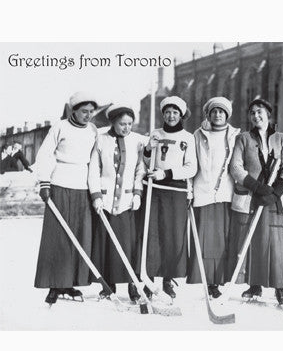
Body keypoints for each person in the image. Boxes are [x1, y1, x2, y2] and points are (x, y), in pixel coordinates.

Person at [34, 92, 98, 305]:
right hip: (60, 183)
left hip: (82, 186)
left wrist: (95, 190)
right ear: (73, 111)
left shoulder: (92, 130)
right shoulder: (59, 126)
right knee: (58, 237)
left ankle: (69, 282)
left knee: (78, 235)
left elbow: (94, 161)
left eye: (91, 112)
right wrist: (44, 182)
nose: (87, 115)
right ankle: (54, 284)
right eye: (83, 111)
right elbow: (44, 154)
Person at [228, 98, 283, 306]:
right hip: (251, 198)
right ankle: (254, 284)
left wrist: (276, 192)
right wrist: (257, 187)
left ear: (268, 114)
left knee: (277, 244)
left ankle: (280, 288)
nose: (256, 116)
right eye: (252, 113)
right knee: (254, 242)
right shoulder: (243, 139)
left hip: (273, 199)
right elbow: (236, 167)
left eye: (260, 112)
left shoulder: (281, 138)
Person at [88, 104, 147, 302]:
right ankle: (107, 287)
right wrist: (96, 195)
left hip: (127, 202)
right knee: (106, 245)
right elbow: (94, 170)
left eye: (130, 124)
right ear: (113, 122)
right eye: (122, 124)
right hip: (105, 201)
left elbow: (141, 168)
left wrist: (138, 192)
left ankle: (133, 285)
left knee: (128, 245)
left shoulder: (138, 141)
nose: (126, 128)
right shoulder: (101, 139)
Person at [142, 96, 197, 299]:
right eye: (167, 112)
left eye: (175, 112)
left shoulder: (188, 137)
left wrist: (167, 174)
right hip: (154, 189)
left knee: (173, 236)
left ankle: (168, 279)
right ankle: (148, 280)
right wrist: (149, 148)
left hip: (175, 191)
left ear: (181, 115)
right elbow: (147, 160)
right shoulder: (156, 133)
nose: (171, 116)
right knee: (152, 234)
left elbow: (191, 167)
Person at [187, 97, 240, 298]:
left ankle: (218, 280)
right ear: (208, 114)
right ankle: (207, 280)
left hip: (226, 194)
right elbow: (193, 165)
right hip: (203, 192)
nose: (218, 115)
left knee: (222, 240)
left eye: (222, 112)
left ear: (227, 114)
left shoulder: (235, 135)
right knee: (205, 239)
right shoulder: (198, 135)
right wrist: (190, 190)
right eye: (214, 111)